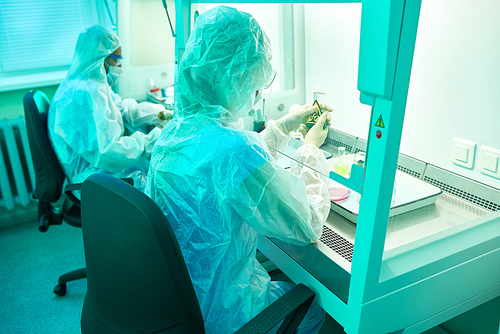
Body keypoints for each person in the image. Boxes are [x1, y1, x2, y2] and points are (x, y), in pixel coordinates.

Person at [146, 6, 332, 334]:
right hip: (227, 316)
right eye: (254, 84)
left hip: (178, 305)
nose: (256, 94)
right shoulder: (235, 150)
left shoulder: (173, 135)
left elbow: (226, 162)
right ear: (234, 79)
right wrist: (311, 151)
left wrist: (282, 128)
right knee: (320, 310)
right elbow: (305, 225)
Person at [48, 25, 171, 192]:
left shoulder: (92, 84)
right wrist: (155, 139)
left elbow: (124, 109)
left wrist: (162, 114)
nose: (118, 67)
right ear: (101, 58)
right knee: (162, 188)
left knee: (157, 177)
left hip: (102, 172)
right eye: (116, 60)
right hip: (93, 183)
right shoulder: (82, 95)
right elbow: (108, 152)